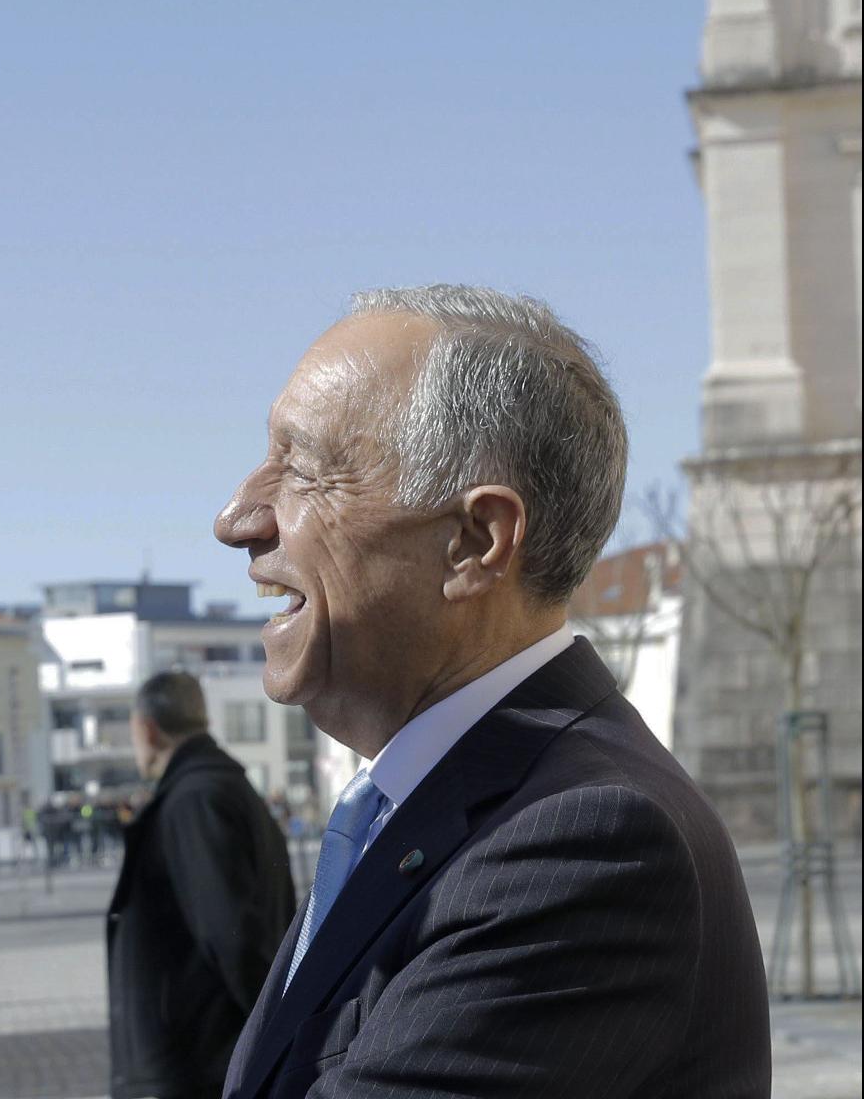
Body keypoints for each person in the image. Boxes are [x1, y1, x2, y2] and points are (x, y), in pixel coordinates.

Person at [214, 285, 768, 1098]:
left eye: (301, 468)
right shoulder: (425, 807)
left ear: (475, 541)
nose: (239, 517)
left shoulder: (582, 843)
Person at [108, 671, 293, 1099]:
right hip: (212, 1058)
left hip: (194, 1066)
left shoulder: (194, 800)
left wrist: (272, 1033)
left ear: (146, 729)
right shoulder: (229, 788)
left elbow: (231, 936)